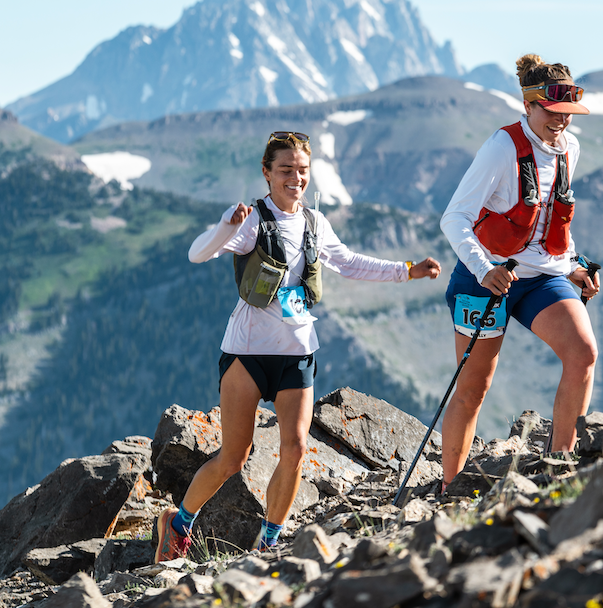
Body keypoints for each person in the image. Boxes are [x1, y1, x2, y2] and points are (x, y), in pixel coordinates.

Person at [154, 130, 441, 561]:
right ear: (267, 173)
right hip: (247, 352)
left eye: (302, 170)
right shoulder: (253, 220)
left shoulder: (313, 222)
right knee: (234, 456)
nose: (295, 178)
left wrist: (409, 270)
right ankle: (177, 525)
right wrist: (225, 227)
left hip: (298, 350)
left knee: (296, 448)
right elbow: (198, 254)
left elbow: (348, 262)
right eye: (285, 169)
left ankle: (268, 543)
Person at [439, 54, 600, 486]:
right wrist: (484, 268)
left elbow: (550, 220)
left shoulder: (571, 149)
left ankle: (561, 467)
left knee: (583, 353)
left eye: (567, 114)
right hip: (483, 280)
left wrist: (573, 266)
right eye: (551, 112)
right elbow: (453, 218)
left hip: (543, 279)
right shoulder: (501, 149)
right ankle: (448, 490)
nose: (560, 122)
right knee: (473, 390)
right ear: (528, 106)